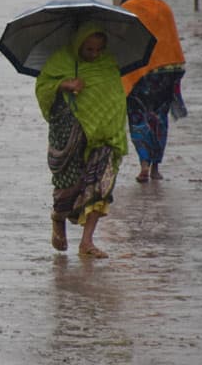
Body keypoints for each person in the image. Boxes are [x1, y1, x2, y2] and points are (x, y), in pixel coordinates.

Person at [36, 22, 128, 258]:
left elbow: (116, 98)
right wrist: (64, 84)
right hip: (70, 135)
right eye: (88, 49)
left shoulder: (107, 65)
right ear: (78, 45)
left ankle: (87, 241)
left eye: (98, 49)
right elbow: (43, 88)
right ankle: (58, 218)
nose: (94, 54)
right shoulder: (61, 62)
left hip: (104, 136)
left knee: (101, 184)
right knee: (69, 185)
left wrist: (112, 129)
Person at [120, 0, 186, 183]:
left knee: (138, 117)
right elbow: (172, 41)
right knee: (159, 119)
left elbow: (122, 40)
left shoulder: (128, 7)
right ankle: (156, 167)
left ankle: (144, 164)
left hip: (139, 73)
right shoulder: (165, 8)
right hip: (166, 73)